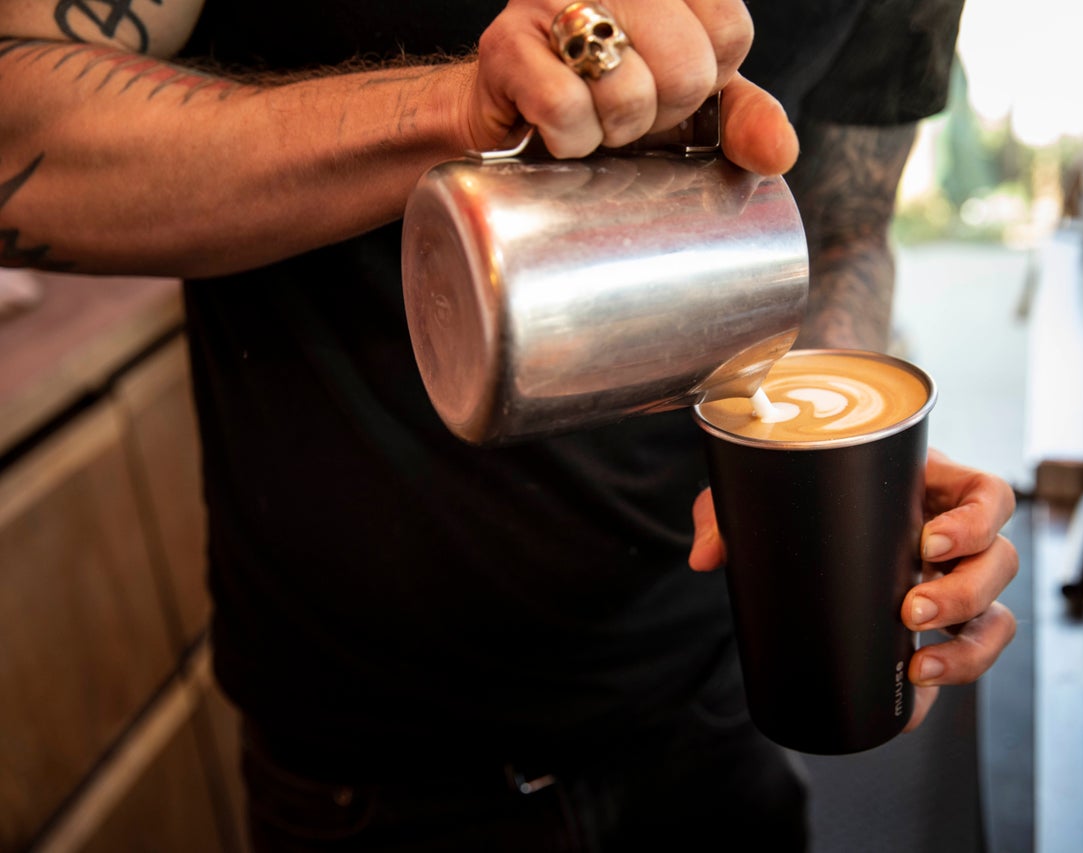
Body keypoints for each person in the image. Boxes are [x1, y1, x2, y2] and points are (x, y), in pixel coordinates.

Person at [0, 1, 1018, 849]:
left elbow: (842, 224)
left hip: (707, 692)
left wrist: (844, 493)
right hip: (370, 762)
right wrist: (456, 108)